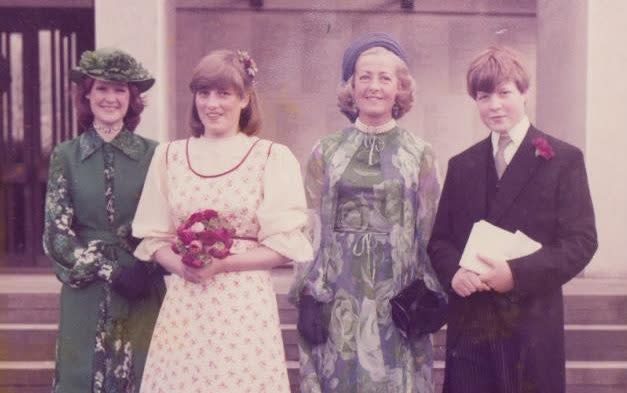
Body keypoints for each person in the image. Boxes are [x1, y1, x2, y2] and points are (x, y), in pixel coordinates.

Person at [131, 49, 313, 393]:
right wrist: (183, 267)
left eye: (224, 93)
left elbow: (285, 247)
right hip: (186, 298)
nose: (212, 104)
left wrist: (222, 266)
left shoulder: (271, 157)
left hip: (242, 303)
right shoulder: (168, 155)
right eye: (204, 93)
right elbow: (153, 238)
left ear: (245, 99)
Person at [427, 46, 597, 393]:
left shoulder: (563, 159)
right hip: (471, 327)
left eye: (504, 92)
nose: (494, 105)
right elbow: (441, 240)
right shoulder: (463, 165)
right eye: (483, 95)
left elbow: (581, 242)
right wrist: (454, 273)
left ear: (524, 92)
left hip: (531, 323)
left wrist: (515, 275)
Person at [290, 32, 444, 393]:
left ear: (400, 89)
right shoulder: (325, 151)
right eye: (364, 77)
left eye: (385, 78)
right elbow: (309, 225)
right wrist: (309, 294)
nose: (374, 86)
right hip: (338, 291)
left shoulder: (420, 153)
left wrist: (431, 295)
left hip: (399, 291)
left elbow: (430, 227)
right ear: (351, 86)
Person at [43, 48, 166, 393]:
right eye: (101, 89)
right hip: (86, 286)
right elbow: (57, 234)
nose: (110, 98)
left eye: (120, 90)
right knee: (82, 375)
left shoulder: (156, 154)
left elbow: (168, 220)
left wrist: (150, 265)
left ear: (133, 99)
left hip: (142, 281)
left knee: (141, 374)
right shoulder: (65, 156)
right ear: (86, 94)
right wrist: (107, 269)